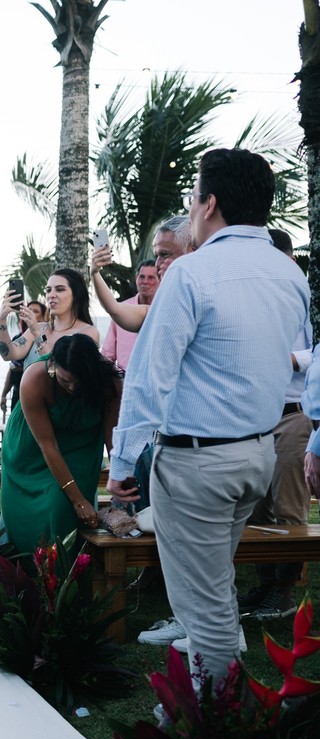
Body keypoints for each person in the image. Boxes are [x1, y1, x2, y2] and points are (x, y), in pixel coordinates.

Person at [108, 148, 308, 693]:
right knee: (215, 585)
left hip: (199, 464)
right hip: (257, 455)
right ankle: (209, 705)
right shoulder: (289, 273)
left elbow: (149, 377)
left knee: (203, 606)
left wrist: (122, 463)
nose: (191, 206)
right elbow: (292, 360)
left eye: (193, 196)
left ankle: (214, 718)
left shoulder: (191, 273)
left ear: (209, 203)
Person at [234, 228, 311, 621]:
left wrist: (292, 359)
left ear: (289, 258)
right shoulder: (254, 299)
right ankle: (265, 584)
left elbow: (317, 352)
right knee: (254, 506)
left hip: (294, 414)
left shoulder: (307, 299)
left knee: (287, 506)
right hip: (254, 417)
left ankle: (284, 591)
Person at [0, 334, 121, 556]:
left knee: (62, 506)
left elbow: (112, 438)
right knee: (58, 504)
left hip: (82, 444)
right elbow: (48, 445)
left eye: (80, 382)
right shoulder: (34, 378)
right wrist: (78, 501)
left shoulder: (110, 383)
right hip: (32, 447)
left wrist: (118, 479)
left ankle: (68, 569)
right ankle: (32, 568)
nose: (73, 388)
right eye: (65, 381)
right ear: (53, 365)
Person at [91, 215, 191, 336]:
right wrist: (95, 272)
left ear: (192, 250)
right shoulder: (160, 310)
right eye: (157, 256)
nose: (158, 263)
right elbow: (114, 309)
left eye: (165, 254)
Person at [0, 268, 98, 377]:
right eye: (48, 290)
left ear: (76, 295)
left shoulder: (88, 332)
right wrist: (2, 320)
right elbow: (8, 354)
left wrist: (37, 335)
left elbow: (56, 373)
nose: (51, 295)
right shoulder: (39, 328)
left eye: (59, 289)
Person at [99, 260, 159, 370]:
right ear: (136, 278)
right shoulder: (121, 311)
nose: (145, 282)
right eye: (141, 277)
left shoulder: (166, 311)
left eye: (151, 278)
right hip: (125, 378)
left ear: (161, 280)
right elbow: (107, 355)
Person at [0, 300, 46, 419]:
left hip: (41, 396)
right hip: (19, 393)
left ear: (43, 316)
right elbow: (8, 358)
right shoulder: (20, 337)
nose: (30, 313)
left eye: (35, 311)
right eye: (28, 310)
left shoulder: (46, 335)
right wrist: (4, 394)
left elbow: (51, 367)